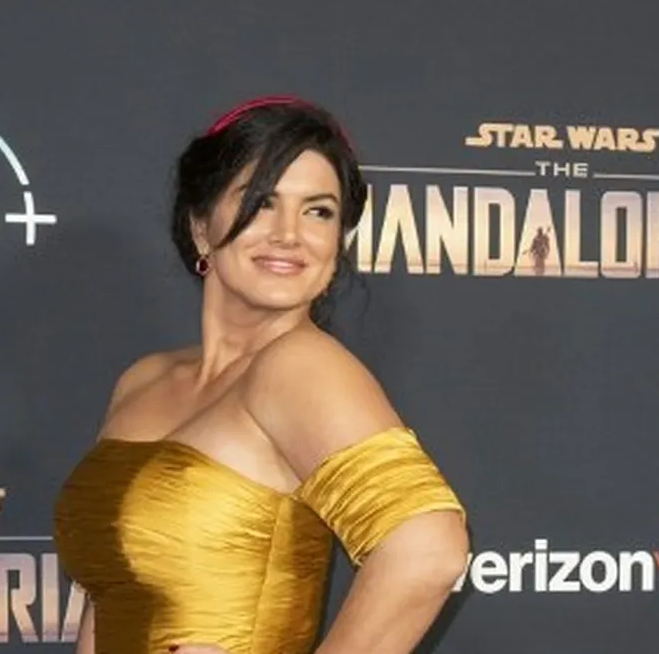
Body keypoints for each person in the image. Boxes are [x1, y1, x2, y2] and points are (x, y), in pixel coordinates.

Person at [52, 96, 469, 653]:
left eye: (318, 211)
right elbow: (110, 597)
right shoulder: (144, 379)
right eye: (261, 202)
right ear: (201, 227)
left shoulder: (300, 367)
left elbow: (427, 550)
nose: (289, 234)